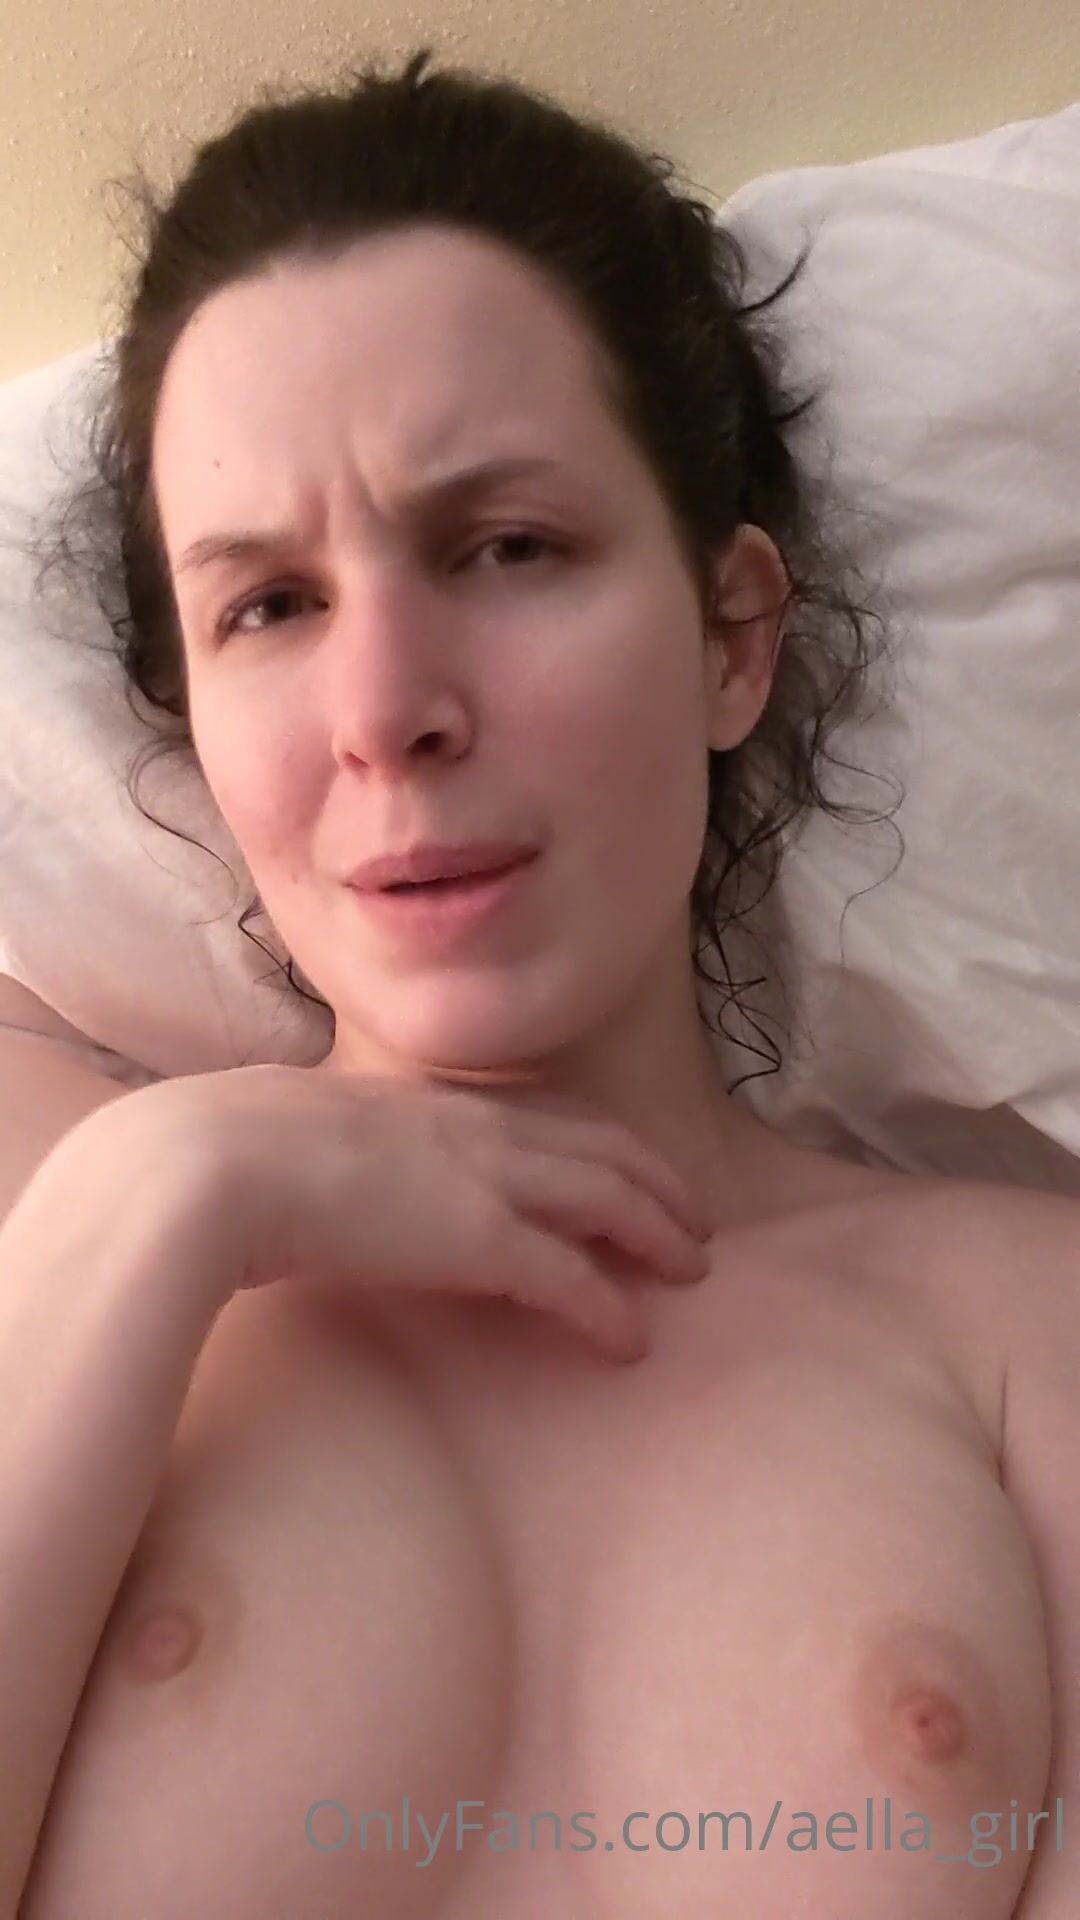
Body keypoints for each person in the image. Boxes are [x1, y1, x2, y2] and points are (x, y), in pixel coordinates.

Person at [2, 44, 1078, 1920]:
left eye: (506, 547)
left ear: (733, 637)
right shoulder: (55, 1214)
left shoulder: (1022, 1326)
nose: (385, 710)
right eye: (267, 604)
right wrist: (159, 1194)